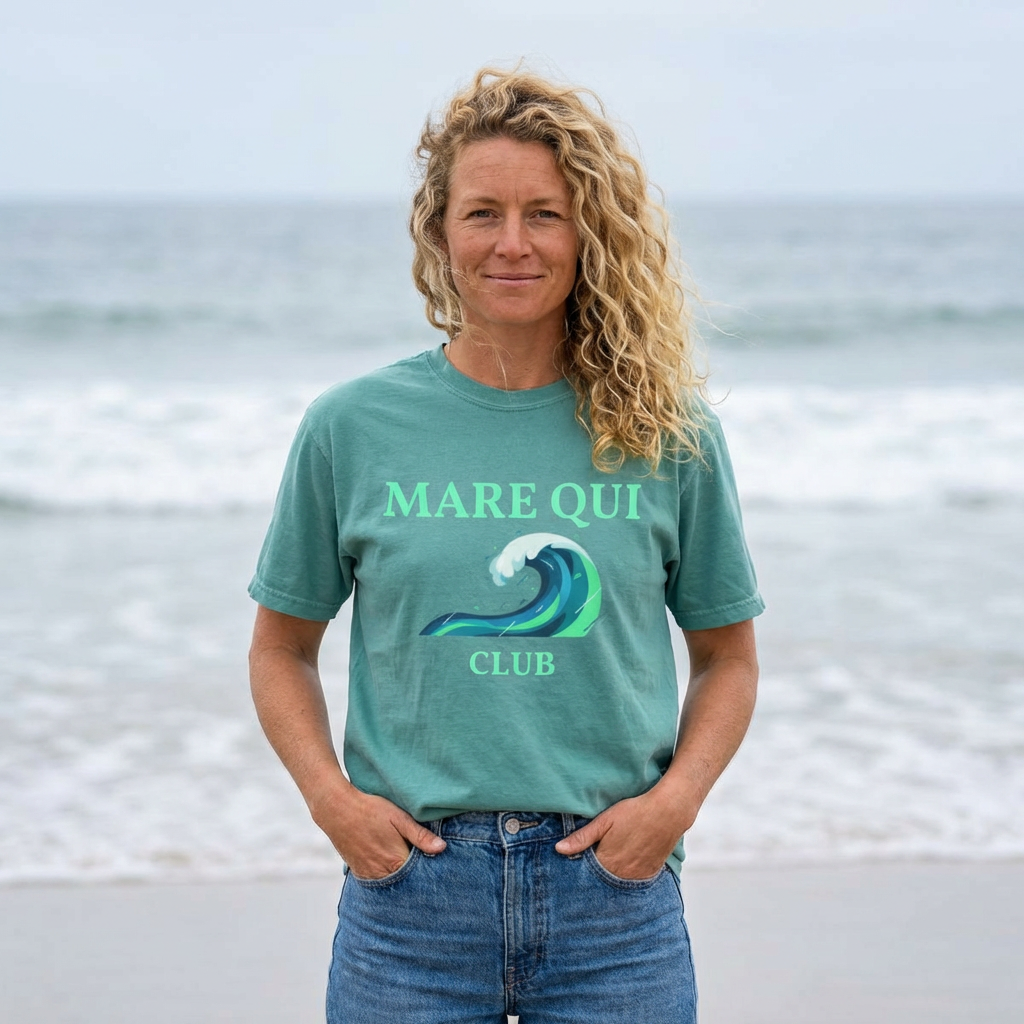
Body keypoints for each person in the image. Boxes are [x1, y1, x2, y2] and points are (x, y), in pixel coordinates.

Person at [248, 66, 763, 1024]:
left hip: (614, 897)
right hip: (411, 899)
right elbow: (280, 646)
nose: (513, 244)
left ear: (589, 233)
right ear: (439, 232)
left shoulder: (667, 432)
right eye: (483, 213)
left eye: (547, 214)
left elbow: (728, 658)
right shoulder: (351, 426)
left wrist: (673, 806)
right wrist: (332, 801)